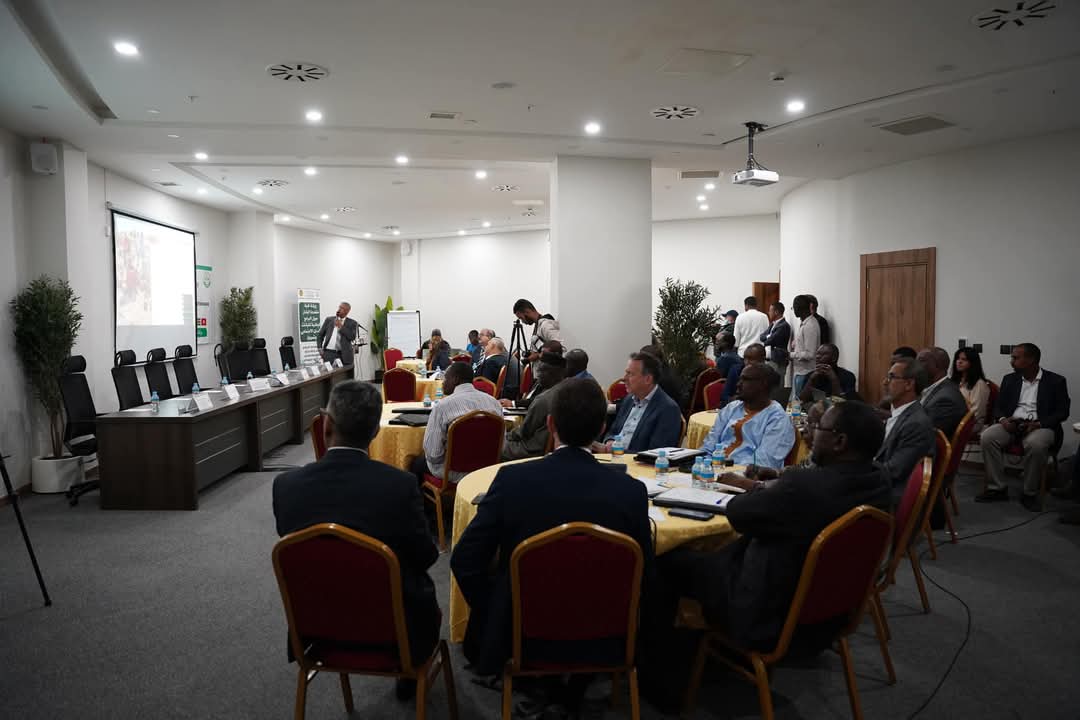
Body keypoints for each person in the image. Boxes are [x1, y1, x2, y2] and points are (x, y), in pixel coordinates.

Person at [451, 378, 654, 698]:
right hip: (604, 635)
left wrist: (498, 614)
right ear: (602, 429)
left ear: (550, 424)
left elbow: (465, 560)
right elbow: (646, 574)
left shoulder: (512, 480)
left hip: (523, 634)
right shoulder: (631, 492)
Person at [662, 401, 889, 652]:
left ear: (840, 442)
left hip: (765, 615)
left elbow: (738, 513)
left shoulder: (803, 487)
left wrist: (768, 487)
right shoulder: (879, 481)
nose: (810, 434)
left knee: (665, 559)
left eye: (818, 428)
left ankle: (664, 658)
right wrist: (776, 485)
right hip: (828, 617)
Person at [273, 381, 440, 697]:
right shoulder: (400, 486)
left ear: (326, 425)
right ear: (376, 431)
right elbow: (425, 557)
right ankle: (408, 675)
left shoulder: (286, 486)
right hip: (395, 630)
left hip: (316, 628)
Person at [978, 343, 1071, 510]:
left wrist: (1038, 424)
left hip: (1041, 425)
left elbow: (1062, 412)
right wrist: (1003, 420)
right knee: (987, 437)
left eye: (1016, 358)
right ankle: (997, 488)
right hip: (1013, 423)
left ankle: (1029, 493)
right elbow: (999, 407)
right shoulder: (1010, 379)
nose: (1011, 361)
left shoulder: (1056, 381)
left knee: (1036, 444)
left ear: (1031, 360)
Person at [410, 362, 504, 486]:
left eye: (445, 378)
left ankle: (422, 498)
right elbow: (502, 446)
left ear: (455, 379)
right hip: (486, 470)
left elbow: (433, 455)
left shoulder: (442, 407)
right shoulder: (494, 403)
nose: (442, 383)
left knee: (416, 463)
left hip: (452, 471)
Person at [701, 364, 795, 469]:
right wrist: (703, 465)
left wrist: (730, 472)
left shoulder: (778, 419)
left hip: (745, 475)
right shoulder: (732, 408)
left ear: (762, 384)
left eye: (745, 380)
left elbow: (764, 462)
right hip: (712, 470)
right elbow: (708, 446)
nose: (738, 384)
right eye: (740, 379)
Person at [594, 352, 682, 453]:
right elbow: (614, 431)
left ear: (648, 379)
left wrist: (615, 451)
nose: (624, 378)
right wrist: (609, 441)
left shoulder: (668, 409)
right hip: (611, 456)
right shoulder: (629, 399)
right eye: (626, 373)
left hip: (632, 461)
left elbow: (656, 454)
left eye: (630, 374)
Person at [875, 357, 936, 504]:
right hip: (880, 482)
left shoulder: (916, 424)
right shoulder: (902, 414)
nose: (885, 382)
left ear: (909, 384)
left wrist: (855, 475)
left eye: (891, 377)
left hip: (889, 497)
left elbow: (893, 471)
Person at [502, 353, 567, 460]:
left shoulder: (543, 400)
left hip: (531, 450)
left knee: (492, 445)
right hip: (554, 448)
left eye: (541, 371)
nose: (538, 375)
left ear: (554, 374)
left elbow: (523, 432)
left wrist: (503, 436)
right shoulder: (568, 391)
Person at [917, 346, 968, 439]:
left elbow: (923, 434)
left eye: (921, 361)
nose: (916, 366)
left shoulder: (945, 399)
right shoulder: (933, 388)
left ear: (937, 365)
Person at [787, 295, 821, 398]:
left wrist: (790, 355)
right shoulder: (804, 323)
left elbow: (810, 354)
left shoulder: (810, 325)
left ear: (800, 308)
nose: (794, 310)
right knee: (797, 400)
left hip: (806, 372)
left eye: (794, 307)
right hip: (800, 371)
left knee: (800, 402)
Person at [950, 347, 990, 432]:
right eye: (958, 358)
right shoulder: (954, 381)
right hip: (953, 418)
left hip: (971, 424)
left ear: (973, 363)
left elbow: (976, 413)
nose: (959, 362)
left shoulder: (980, 384)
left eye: (964, 359)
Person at [513, 298, 562, 366]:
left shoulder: (545, 325)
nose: (522, 321)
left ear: (527, 311)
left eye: (521, 318)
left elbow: (558, 346)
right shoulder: (538, 325)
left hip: (548, 370)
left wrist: (537, 355)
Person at [317, 301, 359, 366]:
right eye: (339, 307)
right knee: (328, 372)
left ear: (347, 311)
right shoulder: (329, 320)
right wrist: (319, 347)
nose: (339, 309)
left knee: (345, 372)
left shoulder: (352, 323)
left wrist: (341, 327)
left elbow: (352, 337)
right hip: (329, 353)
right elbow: (320, 335)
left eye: (342, 308)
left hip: (344, 355)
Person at [760, 301, 791, 380]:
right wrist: (769, 336)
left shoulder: (783, 326)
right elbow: (761, 337)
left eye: (770, 310)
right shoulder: (773, 324)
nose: (768, 313)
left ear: (776, 312)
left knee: (778, 384)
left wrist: (768, 337)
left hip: (778, 360)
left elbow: (769, 341)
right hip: (771, 358)